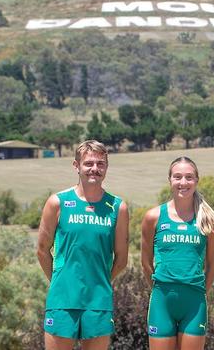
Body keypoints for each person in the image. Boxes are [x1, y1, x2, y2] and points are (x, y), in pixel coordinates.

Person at [36, 140, 129, 350]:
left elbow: (121, 259)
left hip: (98, 302)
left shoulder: (117, 207)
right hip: (62, 300)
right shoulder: (57, 203)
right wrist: (60, 280)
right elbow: (42, 251)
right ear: (76, 166)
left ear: (106, 167)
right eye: (88, 163)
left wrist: (100, 281)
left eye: (100, 164)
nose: (94, 169)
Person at [141, 156, 214, 350]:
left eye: (189, 177)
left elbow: (212, 265)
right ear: (170, 180)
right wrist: (161, 288)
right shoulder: (153, 217)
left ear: (196, 180)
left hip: (194, 303)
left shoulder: (208, 221)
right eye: (177, 177)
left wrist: (199, 291)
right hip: (162, 301)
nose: (183, 182)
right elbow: (145, 263)